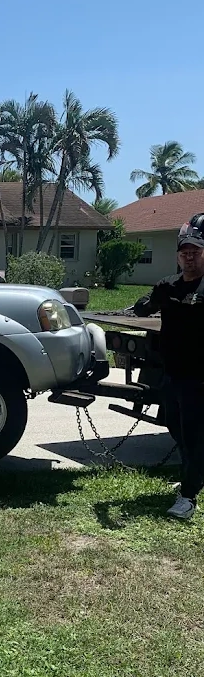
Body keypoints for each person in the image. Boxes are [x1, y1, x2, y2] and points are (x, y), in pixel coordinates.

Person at [134, 214, 204, 520]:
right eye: (185, 252)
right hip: (172, 373)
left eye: (196, 252)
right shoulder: (168, 285)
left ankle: (188, 497)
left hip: (199, 377)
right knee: (175, 428)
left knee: (194, 435)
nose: (189, 257)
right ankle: (194, 475)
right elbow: (146, 304)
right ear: (178, 255)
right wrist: (142, 303)